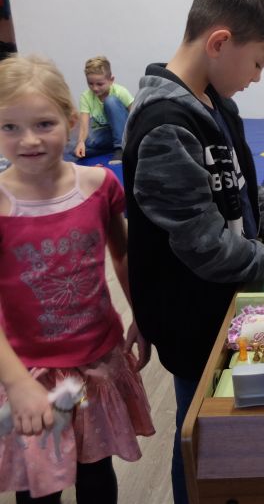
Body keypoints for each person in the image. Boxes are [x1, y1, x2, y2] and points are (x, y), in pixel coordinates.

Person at [122, 0, 264, 504]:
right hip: (192, 320)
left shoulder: (217, 104)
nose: (259, 77)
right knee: (202, 437)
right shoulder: (166, 125)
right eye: (259, 62)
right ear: (219, 42)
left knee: (231, 426)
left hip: (224, 305)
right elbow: (206, 247)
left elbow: (248, 194)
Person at [0, 55, 154, 503]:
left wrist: (142, 315)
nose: (29, 139)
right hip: (29, 369)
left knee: (96, 469)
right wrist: (17, 383)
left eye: (44, 124)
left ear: (71, 121)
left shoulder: (99, 185)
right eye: (10, 127)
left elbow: (122, 253)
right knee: (40, 482)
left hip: (96, 360)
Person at [74, 56, 133, 164]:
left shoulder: (120, 92)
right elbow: (84, 126)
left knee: (110, 101)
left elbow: (135, 113)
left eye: (99, 84)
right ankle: (113, 146)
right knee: (86, 143)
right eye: (90, 83)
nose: (95, 88)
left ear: (111, 80)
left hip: (123, 129)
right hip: (106, 132)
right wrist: (81, 142)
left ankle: (120, 148)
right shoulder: (85, 97)